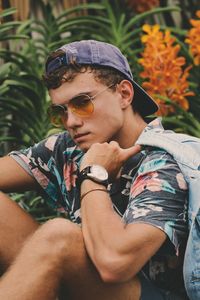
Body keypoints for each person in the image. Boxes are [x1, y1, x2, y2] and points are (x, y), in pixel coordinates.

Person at [0, 40, 189, 300]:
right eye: (60, 112)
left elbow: (114, 263)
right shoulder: (68, 148)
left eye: (82, 103)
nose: (71, 122)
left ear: (124, 94)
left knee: (60, 236)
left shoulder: (165, 163)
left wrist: (92, 174)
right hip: (86, 287)